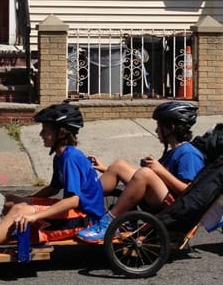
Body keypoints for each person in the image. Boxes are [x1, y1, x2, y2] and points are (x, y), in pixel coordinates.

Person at [0, 103, 105, 281]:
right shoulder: (61, 155)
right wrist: (26, 199)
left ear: (61, 133)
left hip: (85, 219)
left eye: (46, 130)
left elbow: (73, 201)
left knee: (19, 211)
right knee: (10, 200)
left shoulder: (71, 157)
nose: (41, 134)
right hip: (75, 212)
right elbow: (54, 188)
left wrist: (33, 215)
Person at [76, 101, 205, 242]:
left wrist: (160, 171)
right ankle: (79, 207)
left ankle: (108, 223)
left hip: (173, 209)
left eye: (158, 126)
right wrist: (106, 169)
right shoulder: (174, 151)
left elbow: (190, 192)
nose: (156, 131)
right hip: (161, 198)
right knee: (119, 165)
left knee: (145, 173)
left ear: (170, 128)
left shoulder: (188, 153)